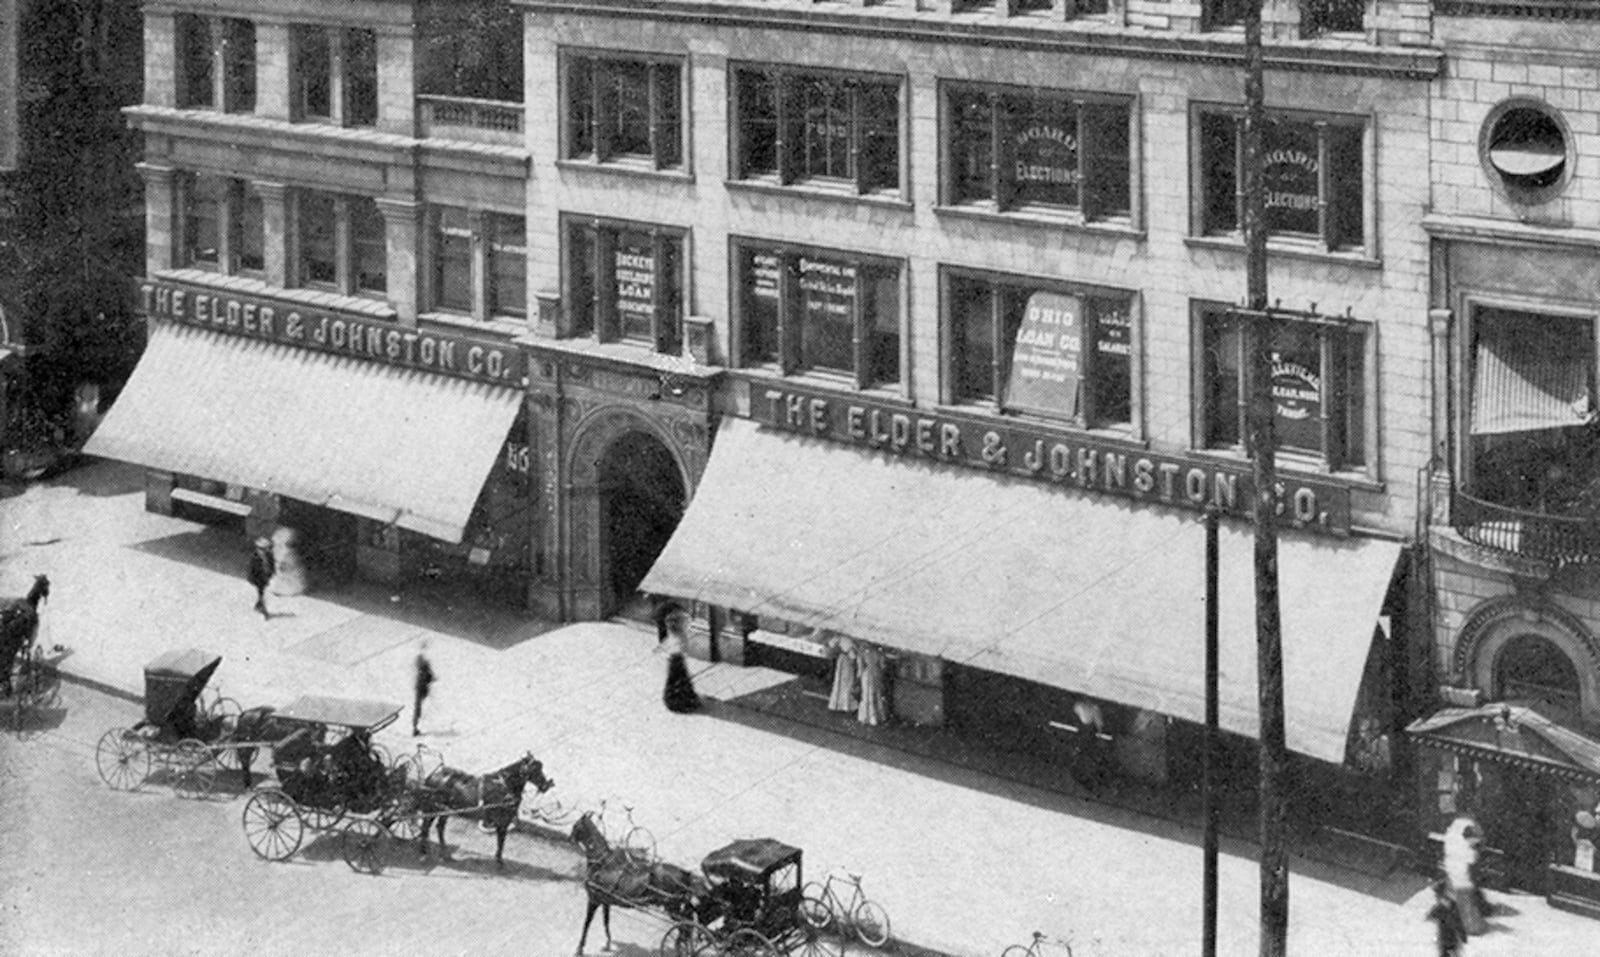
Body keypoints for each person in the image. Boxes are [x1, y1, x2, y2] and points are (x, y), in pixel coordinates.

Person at [661, 607, 701, 714]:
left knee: (674, 680)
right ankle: (682, 702)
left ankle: (675, 700)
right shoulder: (680, 635)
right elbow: (683, 648)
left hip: (673, 659)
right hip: (677, 659)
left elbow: (670, 645)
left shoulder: (673, 634)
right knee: (680, 680)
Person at [1426, 877, 1468, 957]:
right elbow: (1458, 921)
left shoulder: (1445, 906)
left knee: (1447, 952)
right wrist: (1463, 935)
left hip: (1448, 939)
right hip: (1448, 939)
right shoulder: (1448, 905)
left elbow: (1431, 915)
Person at [247, 536, 275, 619]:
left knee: (261, 593)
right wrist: (251, 578)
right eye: (261, 549)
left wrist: (272, 573)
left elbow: (272, 564)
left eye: (265, 548)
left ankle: (258, 604)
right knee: (261, 593)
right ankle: (264, 611)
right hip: (258, 578)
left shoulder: (269, 555)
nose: (263, 550)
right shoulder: (254, 557)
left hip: (266, 576)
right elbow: (251, 569)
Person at [412, 642, 435, 736]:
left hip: (420, 688)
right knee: (418, 708)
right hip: (422, 688)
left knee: (418, 707)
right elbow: (429, 677)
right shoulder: (424, 669)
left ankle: (415, 727)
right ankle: (415, 727)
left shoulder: (421, 670)